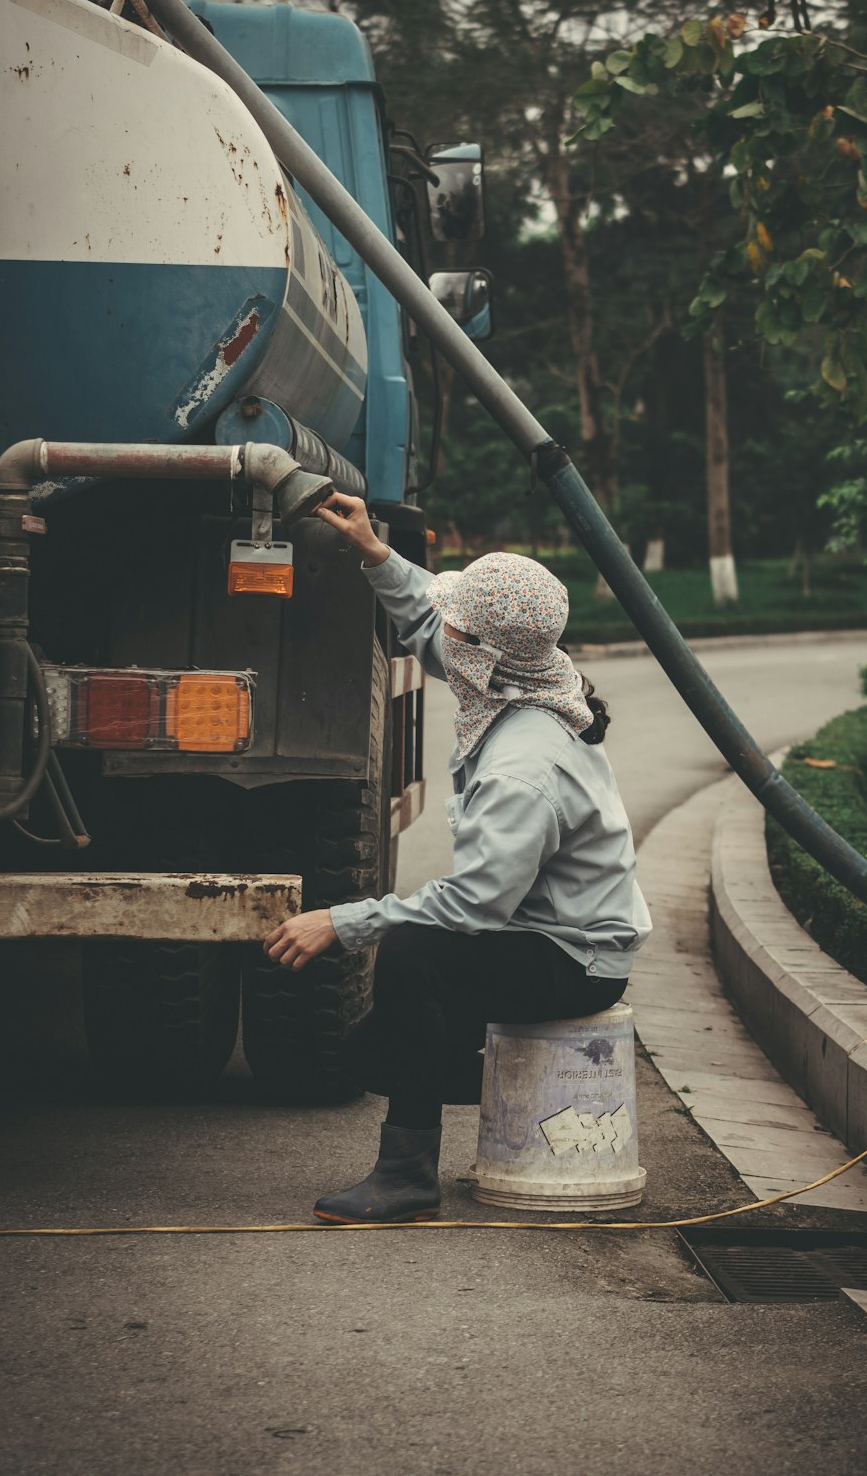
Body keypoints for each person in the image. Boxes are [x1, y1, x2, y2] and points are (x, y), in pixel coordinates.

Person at [263, 492, 652, 1223]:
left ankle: (407, 1176)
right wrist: (374, 551)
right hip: (544, 934)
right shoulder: (527, 671)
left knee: (412, 956)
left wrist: (342, 922)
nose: (443, 637)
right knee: (375, 1047)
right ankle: (458, 1074)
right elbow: (427, 623)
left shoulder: (523, 767)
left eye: (458, 628)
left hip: (576, 960)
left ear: (483, 652)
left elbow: (475, 905)